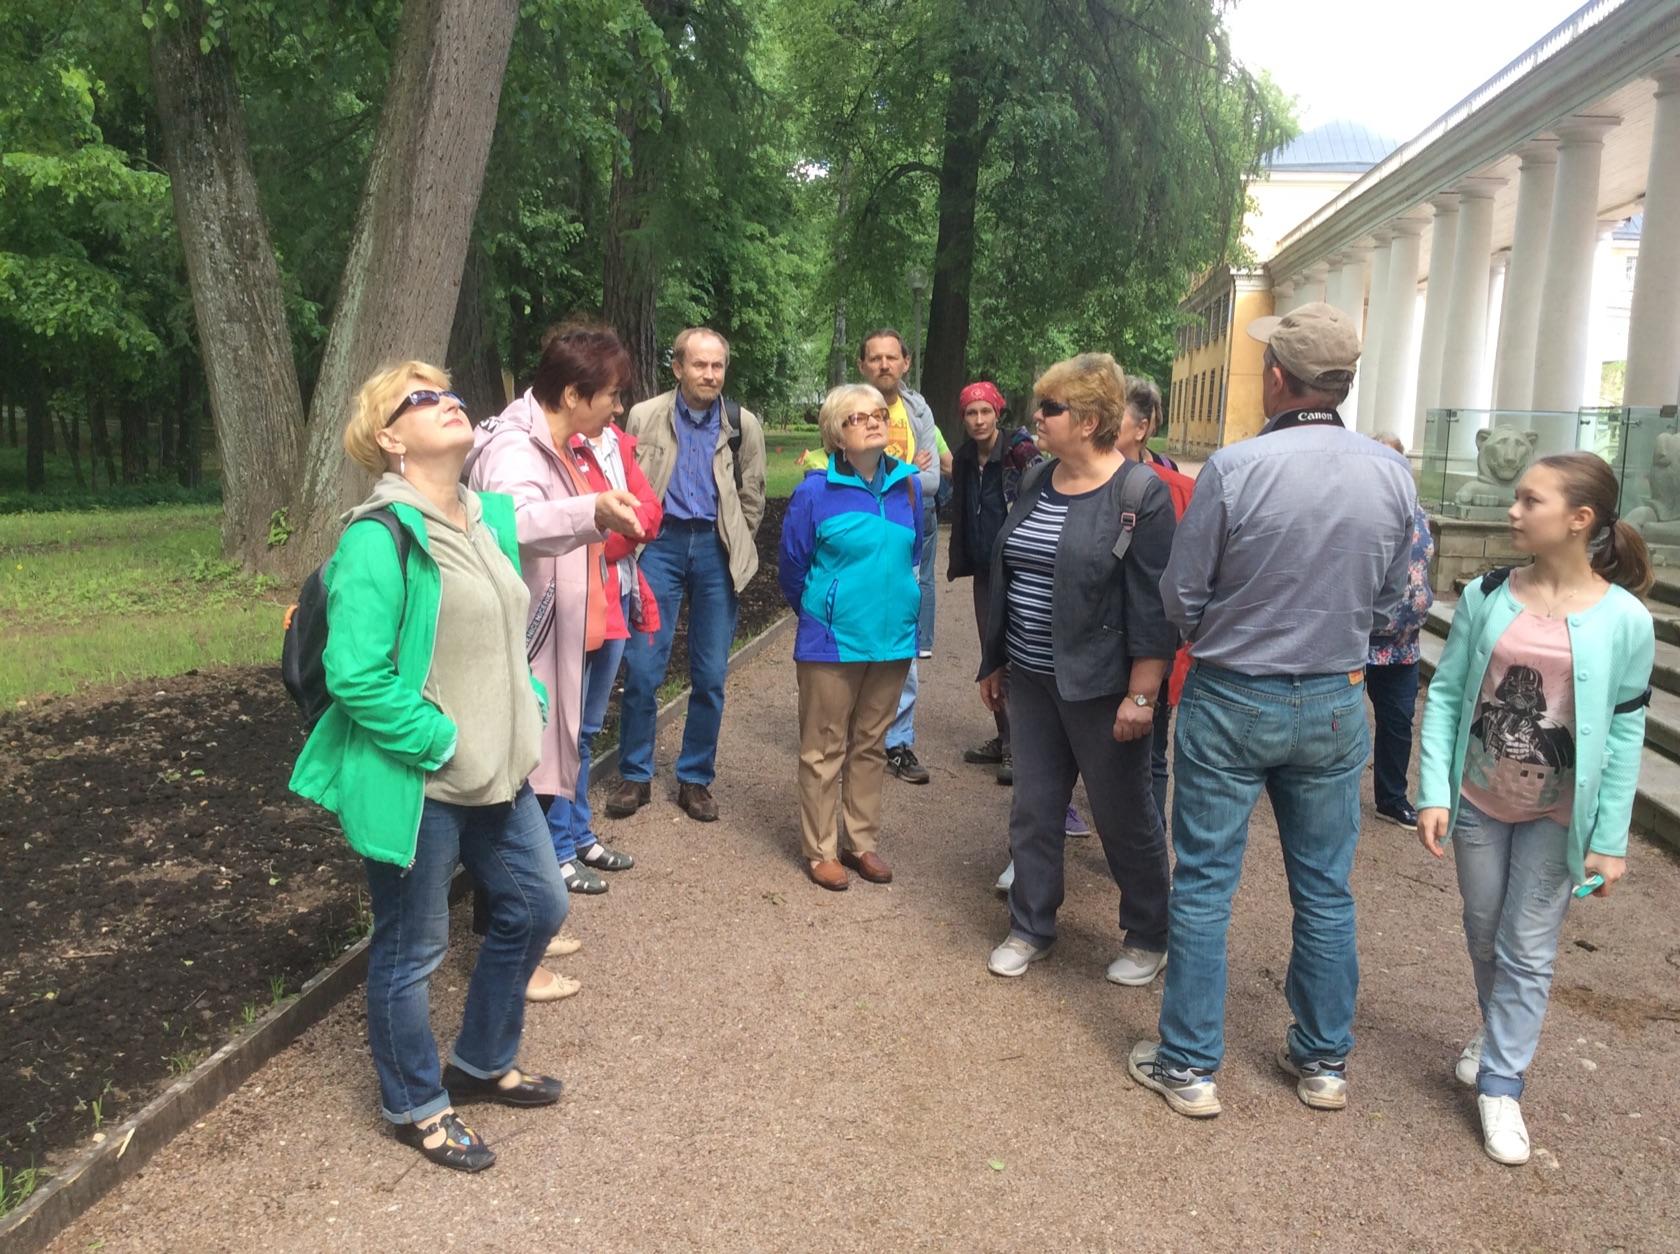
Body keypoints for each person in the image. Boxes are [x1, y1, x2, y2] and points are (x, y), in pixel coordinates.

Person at [1129, 303, 1415, 1120]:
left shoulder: (1238, 467)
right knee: (1324, 886)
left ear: (1279, 378)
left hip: (1234, 690)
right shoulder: (1391, 473)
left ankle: (1190, 1063)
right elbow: (1395, 600)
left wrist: (1219, 627)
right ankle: (1322, 1059)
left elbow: (1182, 593)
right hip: (1334, 694)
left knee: (1206, 882)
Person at [289, 362, 569, 1173]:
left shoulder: (481, 518)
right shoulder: (378, 537)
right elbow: (356, 674)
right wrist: (441, 741)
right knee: (411, 949)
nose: (448, 402)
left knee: (538, 906)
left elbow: (505, 631)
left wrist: (527, 706)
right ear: (389, 438)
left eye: (448, 391)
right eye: (422, 399)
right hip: (424, 784)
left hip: (498, 776)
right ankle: (416, 1102)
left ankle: (481, 1061)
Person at [1417, 452, 1653, 1166]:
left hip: (1559, 817)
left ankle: (1501, 1084)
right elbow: (1449, 695)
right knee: (1483, 930)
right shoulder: (1490, 593)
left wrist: (1610, 840)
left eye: (1530, 500)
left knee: (1527, 946)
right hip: (1479, 799)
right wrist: (1433, 790)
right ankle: (1498, 1032)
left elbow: (1625, 734)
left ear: (1579, 519)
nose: (1513, 511)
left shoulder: (1625, 619)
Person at [976, 353, 1177, 986]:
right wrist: (995, 659)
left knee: (1124, 814)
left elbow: (1156, 606)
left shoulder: (1139, 494)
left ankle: (1149, 934)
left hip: (1102, 686)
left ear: (1089, 421)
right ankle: (1030, 925)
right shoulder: (1038, 478)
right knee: (1033, 808)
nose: (1037, 417)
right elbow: (1009, 570)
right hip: (1032, 678)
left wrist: (1142, 695)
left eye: (1051, 408)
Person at [463, 326, 649, 999]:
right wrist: (593, 508)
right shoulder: (516, 448)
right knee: (517, 801)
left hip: (545, 644)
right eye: (611, 394)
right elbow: (513, 522)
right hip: (524, 650)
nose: (618, 407)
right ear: (573, 393)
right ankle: (515, 955)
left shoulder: (553, 442)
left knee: (533, 788)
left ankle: (518, 934)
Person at [606, 328, 766, 824]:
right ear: (678, 368)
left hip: (716, 549)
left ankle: (695, 778)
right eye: (700, 365)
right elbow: (626, 480)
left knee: (711, 674)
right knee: (643, 667)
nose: (710, 375)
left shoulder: (742, 424)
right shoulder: (645, 416)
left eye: (717, 366)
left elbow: (754, 493)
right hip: (660, 546)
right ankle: (635, 774)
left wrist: (738, 538)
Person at [778, 384, 923, 890]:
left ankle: (860, 842)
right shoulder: (814, 492)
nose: (874, 421)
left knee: (871, 744)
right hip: (832, 642)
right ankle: (820, 848)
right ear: (837, 435)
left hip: (892, 641)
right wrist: (826, 612)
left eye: (879, 414)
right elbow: (792, 568)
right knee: (823, 747)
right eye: (859, 417)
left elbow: (911, 557)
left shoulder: (908, 487)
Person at [947, 380, 1042, 785]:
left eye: (985, 411)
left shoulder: (1020, 453)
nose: (979, 419)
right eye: (971, 413)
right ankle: (1004, 737)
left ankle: (1019, 747)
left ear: (997, 413)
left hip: (1018, 569)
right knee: (992, 654)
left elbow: (1042, 496)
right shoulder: (965, 458)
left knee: (1017, 654)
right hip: (985, 571)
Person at [858, 329, 941, 785]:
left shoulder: (918, 410)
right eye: (876, 358)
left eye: (892, 357)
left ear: (905, 362)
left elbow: (932, 482)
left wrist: (881, 473)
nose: (884, 365)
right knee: (855, 634)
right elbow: (840, 474)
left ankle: (898, 741)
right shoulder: (848, 406)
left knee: (902, 644)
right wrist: (908, 470)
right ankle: (856, 736)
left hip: (905, 537)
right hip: (856, 541)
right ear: (863, 365)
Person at [1117, 376, 1196, 826]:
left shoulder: (1178, 489)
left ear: (1142, 427)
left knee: (1152, 753)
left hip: (1154, 642)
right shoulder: (1074, 480)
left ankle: (1146, 842)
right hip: (1094, 643)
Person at [1366, 433, 1436, 831]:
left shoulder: (1418, 509)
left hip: (1404, 644)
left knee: (1398, 722)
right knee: (1341, 726)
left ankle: (1391, 799)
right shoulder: (1361, 506)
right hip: (1360, 640)